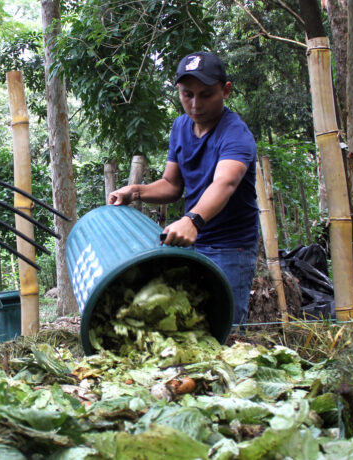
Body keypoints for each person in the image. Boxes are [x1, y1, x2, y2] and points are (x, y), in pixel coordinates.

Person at [108, 51, 258, 325]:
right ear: (178, 89)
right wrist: (136, 191)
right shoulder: (180, 126)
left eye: (206, 94)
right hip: (190, 241)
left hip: (230, 246)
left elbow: (225, 182)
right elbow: (172, 184)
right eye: (187, 94)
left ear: (225, 91)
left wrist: (192, 220)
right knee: (183, 320)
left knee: (224, 326)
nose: (195, 104)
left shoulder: (236, 134)